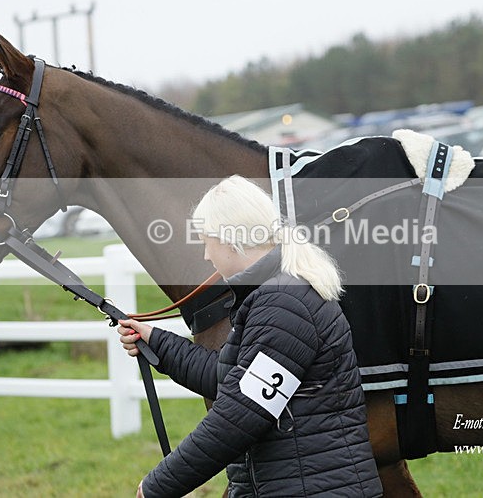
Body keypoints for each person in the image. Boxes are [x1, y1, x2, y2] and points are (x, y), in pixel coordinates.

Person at [118, 175, 382, 497]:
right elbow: (232, 381)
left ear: (229, 240)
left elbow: (239, 415)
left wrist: (158, 485)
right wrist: (157, 341)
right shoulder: (277, 294)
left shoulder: (285, 304)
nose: (206, 256)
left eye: (206, 242)